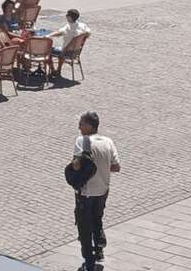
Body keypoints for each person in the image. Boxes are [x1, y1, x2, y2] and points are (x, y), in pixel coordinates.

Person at [70, 111, 120, 270]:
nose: (79, 127)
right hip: (103, 190)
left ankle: (89, 263)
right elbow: (116, 167)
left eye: (82, 124)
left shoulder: (82, 141)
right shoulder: (108, 141)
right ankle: (99, 251)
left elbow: (76, 165)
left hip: (86, 192)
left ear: (90, 126)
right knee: (97, 219)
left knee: (84, 225)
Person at [49, 9, 91, 76]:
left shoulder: (69, 29)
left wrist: (48, 35)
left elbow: (60, 32)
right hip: (76, 51)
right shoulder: (82, 25)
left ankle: (53, 70)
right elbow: (88, 32)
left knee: (47, 51)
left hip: (66, 51)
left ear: (70, 17)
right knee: (62, 49)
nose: (66, 16)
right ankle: (58, 69)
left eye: (67, 15)